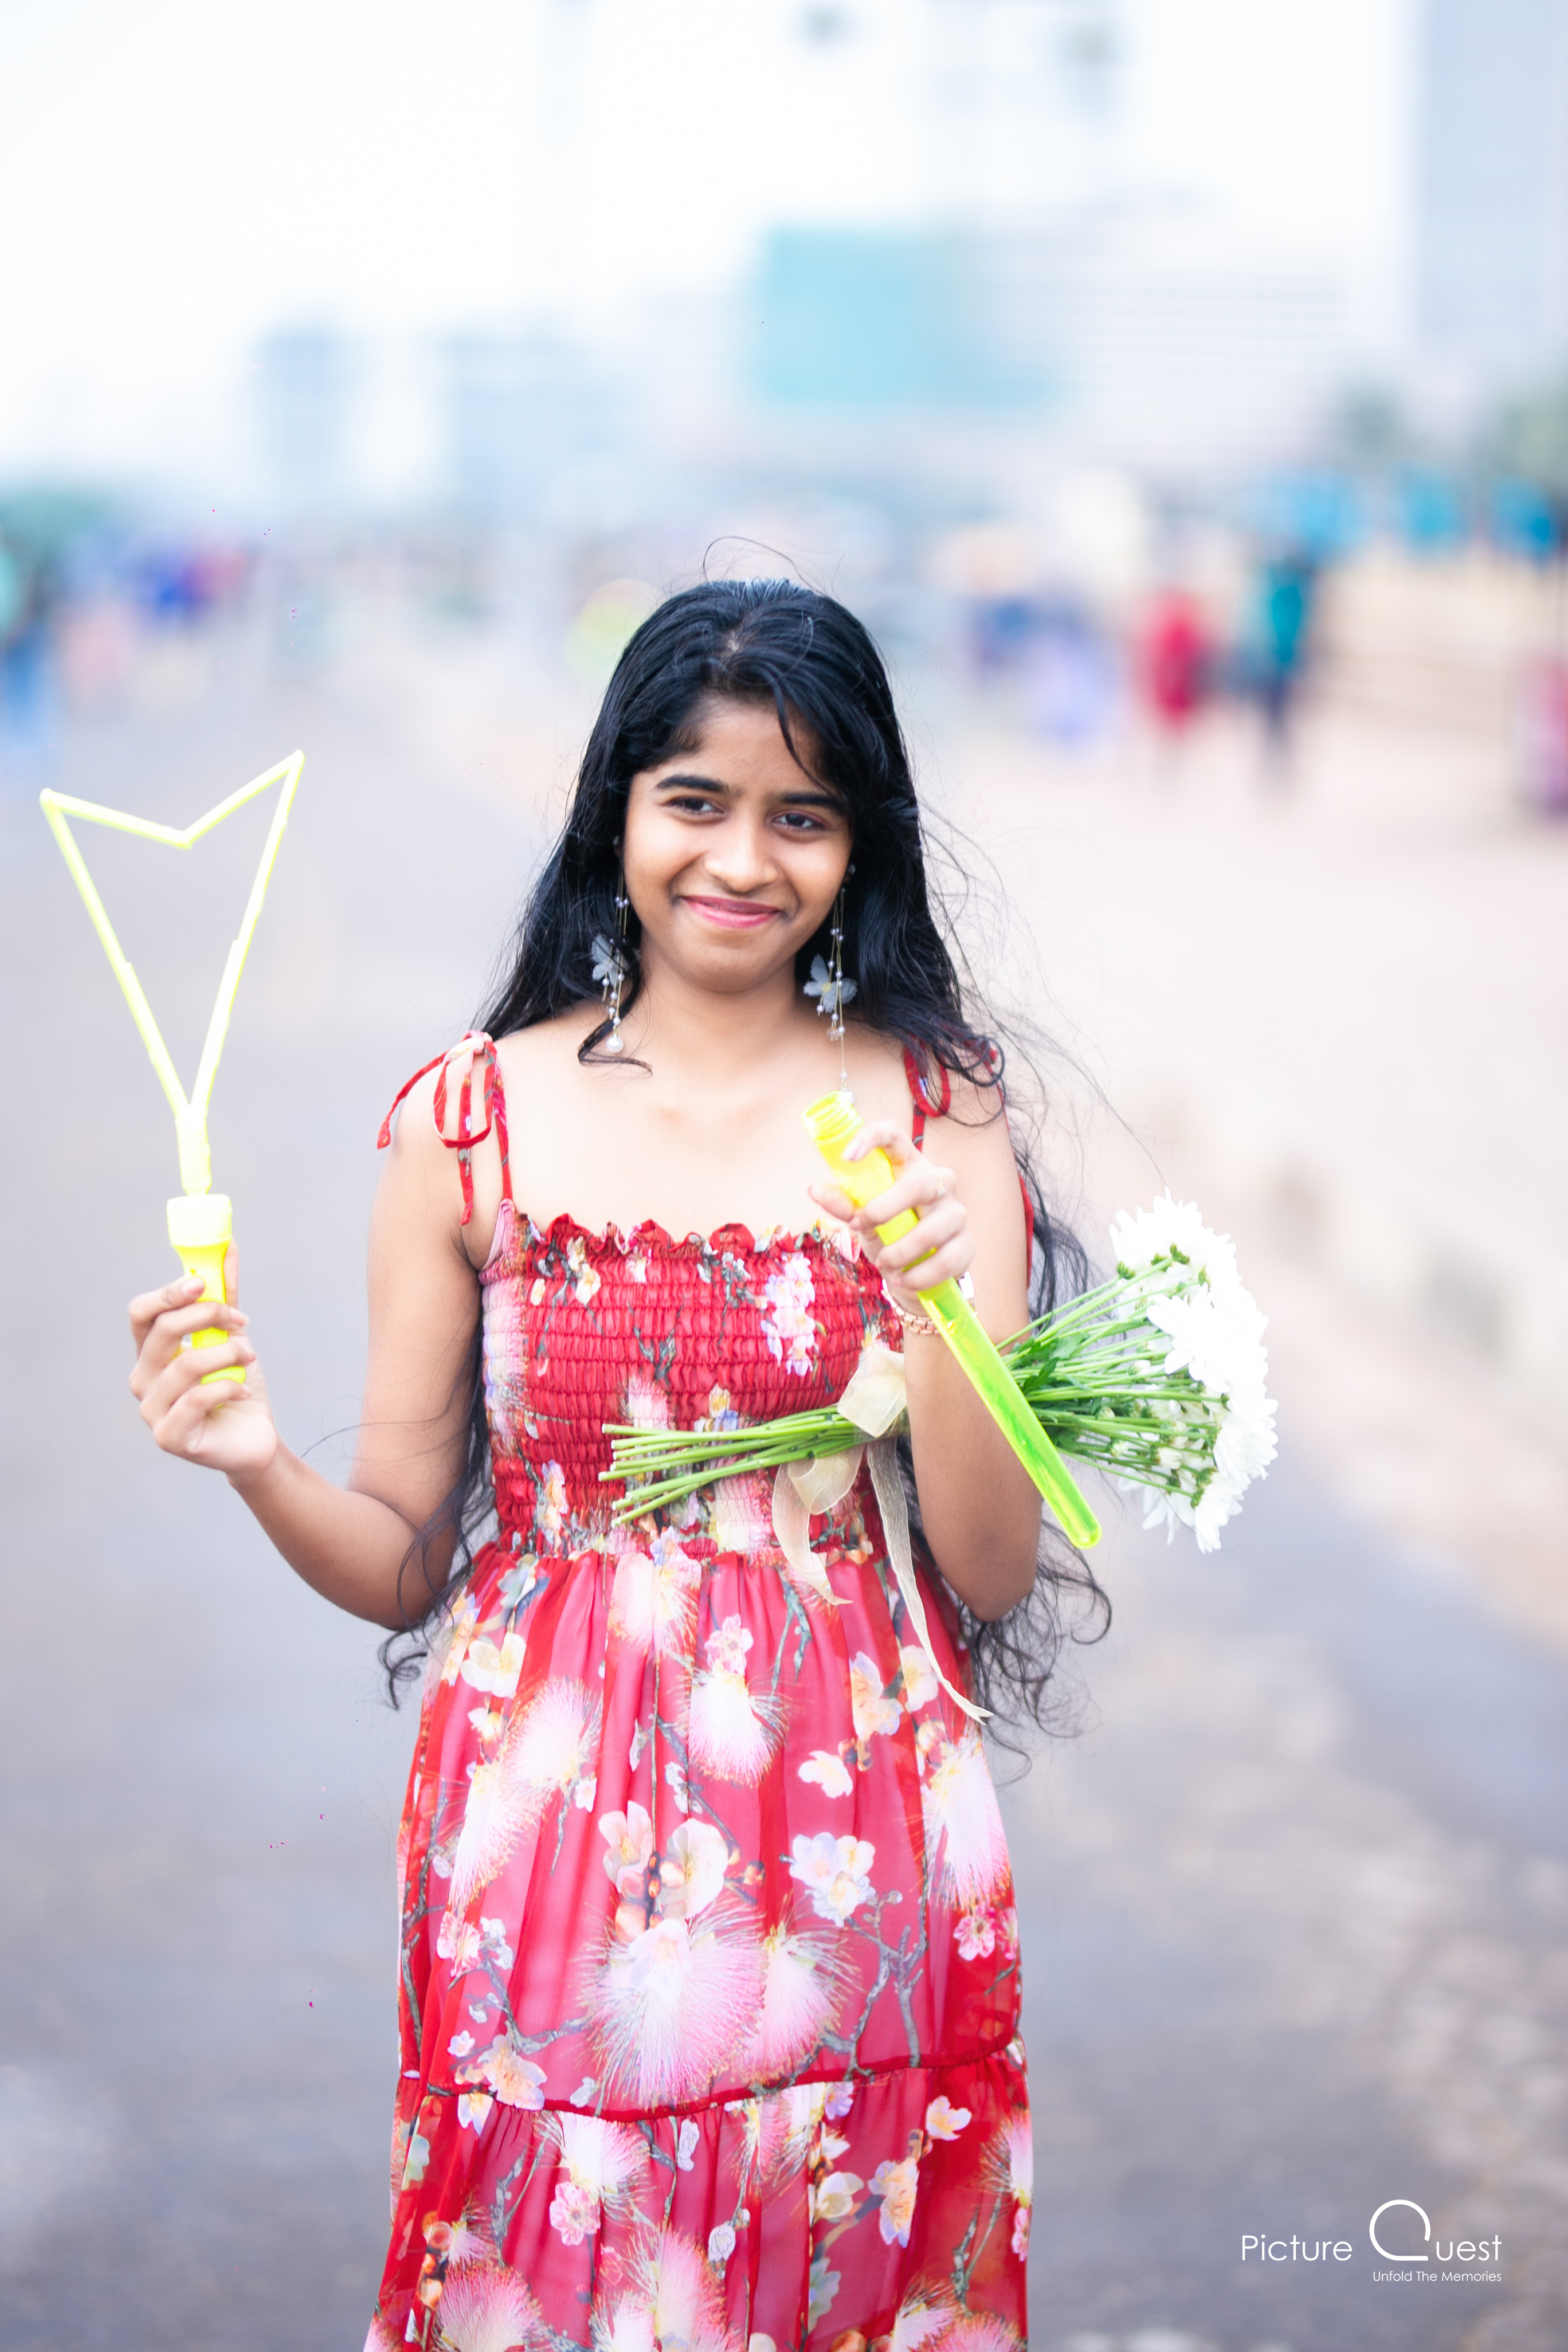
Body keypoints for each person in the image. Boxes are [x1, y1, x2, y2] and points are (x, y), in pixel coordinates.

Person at [127, 582, 1099, 2350]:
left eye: (802, 815)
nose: (744, 858)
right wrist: (261, 1463)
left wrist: (945, 1300)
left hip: (859, 1816)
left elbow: (989, 1559)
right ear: (616, 817)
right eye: (697, 802)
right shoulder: (466, 1121)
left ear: (857, 848)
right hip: (544, 1811)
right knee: (551, 2267)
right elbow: (405, 1555)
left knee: (844, 2252)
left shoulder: (936, 1111)